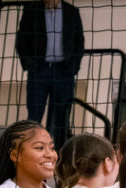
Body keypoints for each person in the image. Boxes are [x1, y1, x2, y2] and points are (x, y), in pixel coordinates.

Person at [14, 0, 84, 150]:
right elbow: (21, 40)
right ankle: (33, 152)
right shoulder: (32, 10)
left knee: (61, 119)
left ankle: (59, 157)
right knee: (34, 117)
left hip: (64, 72)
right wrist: (30, 65)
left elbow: (79, 42)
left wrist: (72, 67)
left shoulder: (72, 12)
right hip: (39, 70)